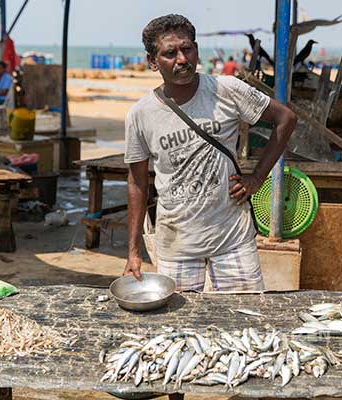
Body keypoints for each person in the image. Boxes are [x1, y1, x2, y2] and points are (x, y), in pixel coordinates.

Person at [123, 14, 297, 292]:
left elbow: (286, 119)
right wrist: (133, 251)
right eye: (170, 53)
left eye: (187, 49)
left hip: (233, 239)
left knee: (244, 319)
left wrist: (257, 180)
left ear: (196, 50)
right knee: (178, 328)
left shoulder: (226, 89)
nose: (182, 59)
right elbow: (137, 182)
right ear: (153, 62)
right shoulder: (141, 114)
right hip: (175, 244)